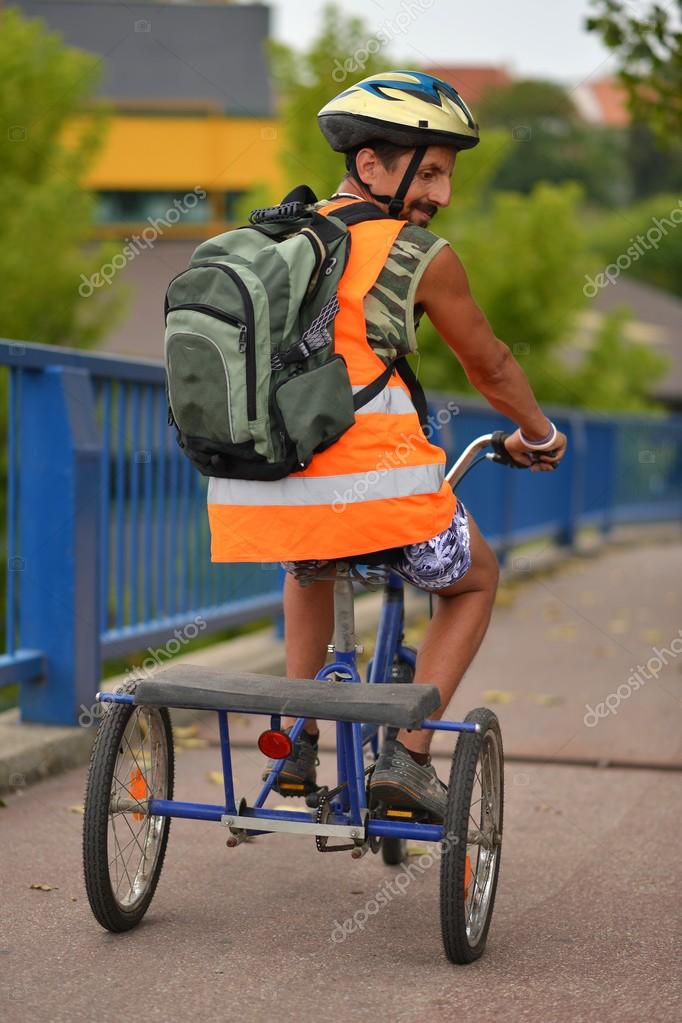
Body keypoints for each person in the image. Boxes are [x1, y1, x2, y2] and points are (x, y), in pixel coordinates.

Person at [208, 71, 567, 821]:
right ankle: (407, 755)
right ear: (370, 164)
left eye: (446, 176)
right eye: (429, 172)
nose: (442, 194)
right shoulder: (416, 253)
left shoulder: (274, 239)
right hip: (379, 495)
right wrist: (539, 432)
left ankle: (297, 738)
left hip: (258, 489)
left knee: (310, 561)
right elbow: (490, 365)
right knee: (474, 579)